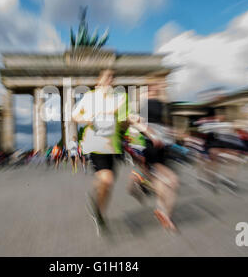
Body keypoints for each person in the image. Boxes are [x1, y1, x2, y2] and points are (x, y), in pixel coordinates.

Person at [72, 69, 128, 236]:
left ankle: (99, 212)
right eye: (106, 77)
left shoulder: (120, 98)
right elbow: (74, 115)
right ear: (99, 81)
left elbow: (125, 121)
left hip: (114, 146)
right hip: (96, 143)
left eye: (112, 77)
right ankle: (98, 209)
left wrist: (124, 122)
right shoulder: (89, 97)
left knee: (107, 185)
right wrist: (88, 118)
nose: (110, 79)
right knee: (107, 179)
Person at [129, 76, 179, 232]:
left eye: (161, 84)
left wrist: (172, 134)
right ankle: (164, 213)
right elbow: (136, 121)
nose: (160, 86)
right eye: (157, 83)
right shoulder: (145, 102)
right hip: (151, 144)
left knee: (164, 180)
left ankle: (161, 209)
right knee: (170, 180)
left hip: (164, 145)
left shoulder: (163, 103)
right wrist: (151, 134)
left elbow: (166, 124)